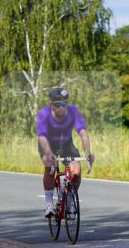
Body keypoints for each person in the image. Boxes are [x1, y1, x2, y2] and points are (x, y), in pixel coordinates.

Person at [37, 86, 94, 217]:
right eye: (58, 105)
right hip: (47, 144)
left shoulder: (73, 112)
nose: (62, 107)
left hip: (66, 144)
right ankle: (49, 204)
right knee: (50, 165)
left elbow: (83, 134)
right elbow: (41, 137)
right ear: (51, 104)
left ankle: (69, 199)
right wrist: (49, 154)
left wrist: (87, 153)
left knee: (77, 170)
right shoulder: (44, 114)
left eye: (64, 104)